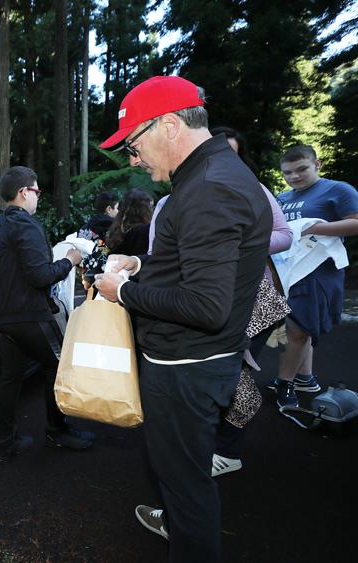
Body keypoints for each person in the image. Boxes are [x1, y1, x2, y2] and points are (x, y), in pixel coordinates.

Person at [94, 76, 272, 563]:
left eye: (133, 144)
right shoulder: (214, 175)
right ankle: (174, 518)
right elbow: (197, 267)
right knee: (178, 474)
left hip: (185, 368)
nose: (132, 158)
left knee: (188, 486)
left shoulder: (209, 189)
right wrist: (141, 264)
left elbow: (206, 306)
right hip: (198, 362)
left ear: (169, 126)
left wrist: (124, 290)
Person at [0, 166, 91, 463]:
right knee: (59, 366)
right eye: (37, 191)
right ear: (23, 192)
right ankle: (57, 431)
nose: (38, 197)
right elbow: (41, 275)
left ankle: (4, 443)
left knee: (10, 377)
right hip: (27, 314)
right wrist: (69, 260)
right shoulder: (24, 225)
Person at [208, 126, 292, 476]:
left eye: (232, 153)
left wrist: (242, 241)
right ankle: (212, 444)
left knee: (237, 376)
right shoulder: (183, 193)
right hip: (210, 299)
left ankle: (228, 450)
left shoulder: (255, 190)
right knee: (213, 375)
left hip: (254, 303)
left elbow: (284, 236)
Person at [269, 144, 358, 408]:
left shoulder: (338, 189)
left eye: (301, 169)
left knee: (298, 330)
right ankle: (305, 378)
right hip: (286, 270)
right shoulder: (282, 197)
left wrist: (314, 228)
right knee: (300, 329)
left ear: (316, 165)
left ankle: (285, 384)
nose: (294, 176)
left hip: (319, 272)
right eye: (287, 172)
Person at [105, 188, 154, 256]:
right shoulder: (142, 229)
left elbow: (105, 251)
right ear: (144, 209)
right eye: (150, 206)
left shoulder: (115, 227)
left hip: (113, 264)